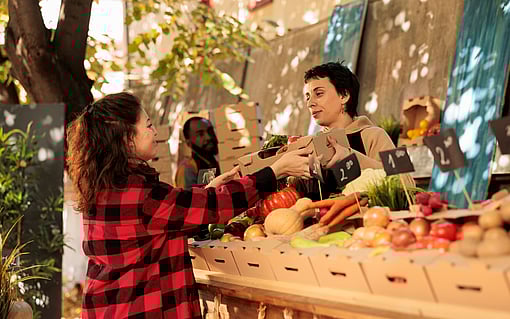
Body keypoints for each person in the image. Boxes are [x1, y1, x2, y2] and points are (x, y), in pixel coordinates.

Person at [66, 92, 311, 319]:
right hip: (142, 309)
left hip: (108, 308)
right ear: (127, 140)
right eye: (149, 126)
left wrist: (209, 188)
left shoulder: (104, 188)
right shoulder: (140, 193)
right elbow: (211, 206)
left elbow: (166, 216)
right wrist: (274, 171)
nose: (155, 132)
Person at [303, 61, 396, 170]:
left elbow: (405, 180)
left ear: (344, 95)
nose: (310, 104)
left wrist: (353, 158)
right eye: (308, 97)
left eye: (319, 94)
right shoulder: (311, 145)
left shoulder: (374, 135)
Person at [175, 117, 220, 188]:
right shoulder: (187, 169)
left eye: (210, 131)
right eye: (200, 134)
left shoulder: (214, 161)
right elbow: (188, 197)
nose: (208, 137)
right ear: (188, 143)